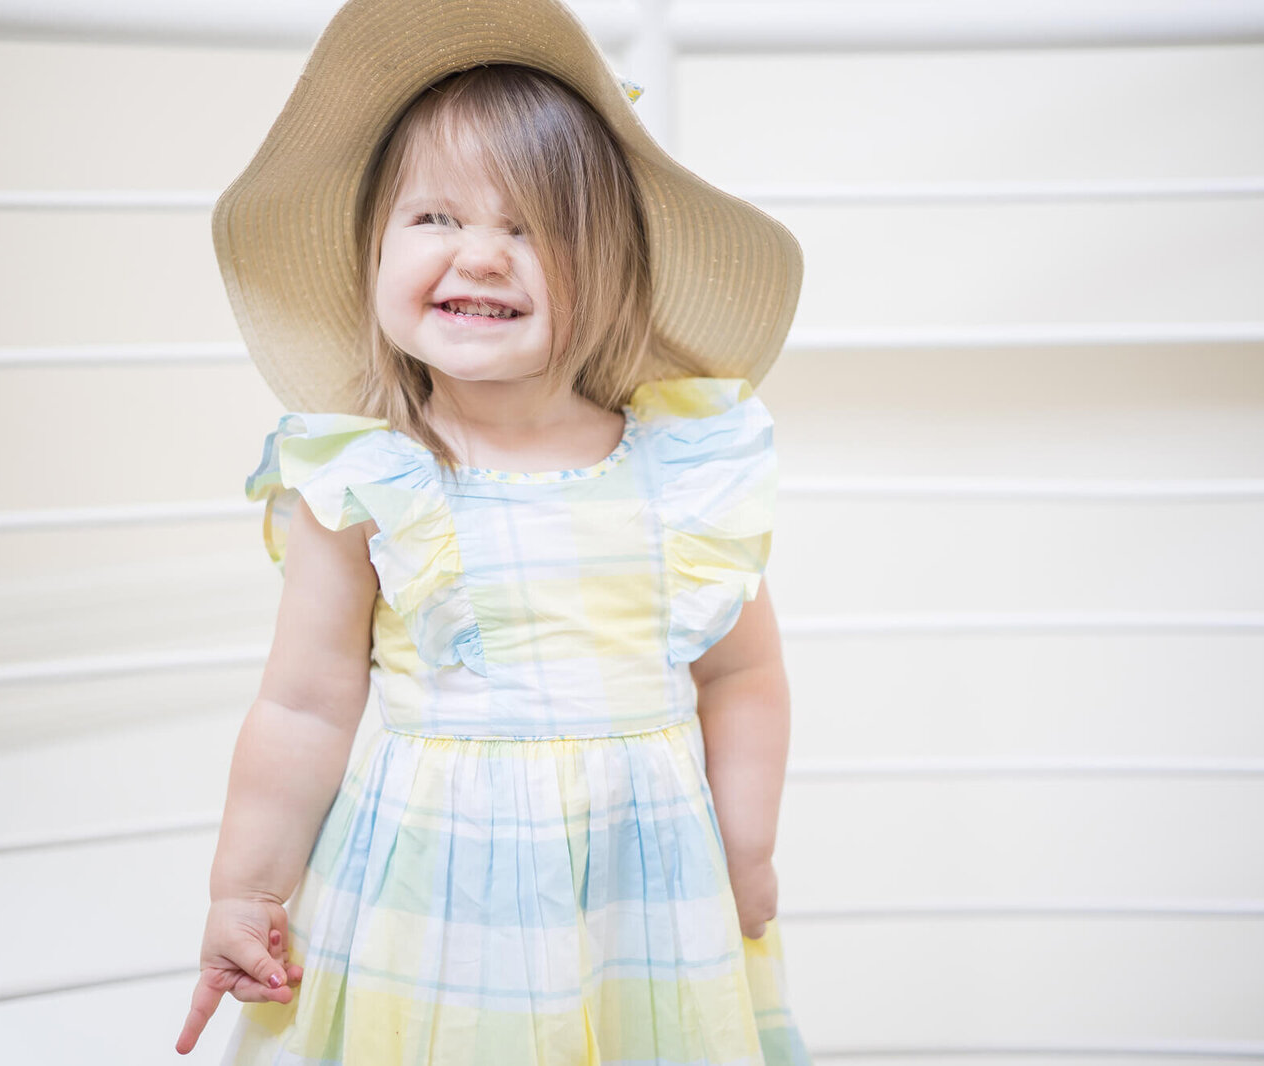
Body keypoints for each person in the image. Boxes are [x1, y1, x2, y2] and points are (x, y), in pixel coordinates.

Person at [176, 0, 809, 1061]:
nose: (479, 254)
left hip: (642, 899)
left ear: (608, 273)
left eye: (529, 227)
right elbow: (302, 704)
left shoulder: (681, 473)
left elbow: (743, 673)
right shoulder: (375, 479)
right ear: (372, 249)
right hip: (431, 895)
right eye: (435, 218)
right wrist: (245, 888)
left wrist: (745, 846)